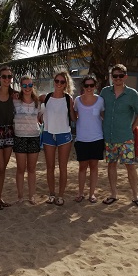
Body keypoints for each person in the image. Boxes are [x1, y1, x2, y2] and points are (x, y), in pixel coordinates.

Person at [100, 64, 138, 208]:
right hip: (110, 137)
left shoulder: (132, 94)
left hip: (126, 138)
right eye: (115, 76)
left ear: (125, 76)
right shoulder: (105, 92)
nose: (117, 78)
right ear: (111, 77)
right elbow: (100, 110)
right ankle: (113, 194)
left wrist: (132, 127)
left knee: (130, 167)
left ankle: (135, 196)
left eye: (120, 75)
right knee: (111, 165)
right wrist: (105, 121)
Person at [39, 71, 76, 206]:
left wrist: (72, 110)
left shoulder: (68, 99)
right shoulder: (46, 97)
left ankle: (61, 195)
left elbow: (73, 119)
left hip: (64, 135)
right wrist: (39, 116)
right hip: (48, 134)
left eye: (62, 82)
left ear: (66, 84)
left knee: (63, 167)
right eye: (57, 81)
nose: (59, 84)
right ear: (54, 82)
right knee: (50, 167)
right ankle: (51, 194)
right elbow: (34, 102)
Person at [73, 76, 105, 204]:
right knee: (82, 167)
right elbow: (74, 116)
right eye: (86, 86)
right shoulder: (77, 100)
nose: (89, 88)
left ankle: (92, 194)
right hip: (81, 139)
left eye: (92, 85)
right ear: (83, 87)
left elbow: (103, 117)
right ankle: (80, 193)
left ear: (95, 87)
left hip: (97, 138)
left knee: (94, 167)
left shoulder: (100, 100)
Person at [13, 75, 41, 205]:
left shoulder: (37, 102)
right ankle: (19, 196)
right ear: (21, 86)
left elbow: (41, 118)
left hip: (34, 137)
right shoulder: (15, 101)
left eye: (30, 85)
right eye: (24, 85)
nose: (27, 88)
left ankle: (31, 196)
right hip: (19, 137)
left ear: (32, 86)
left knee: (31, 169)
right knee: (20, 169)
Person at [0, 66, 15, 210]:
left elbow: (31, 97)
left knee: (3, 168)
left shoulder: (14, 95)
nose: (7, 79)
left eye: (9, 77)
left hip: (10, 132)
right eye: (4, 76)